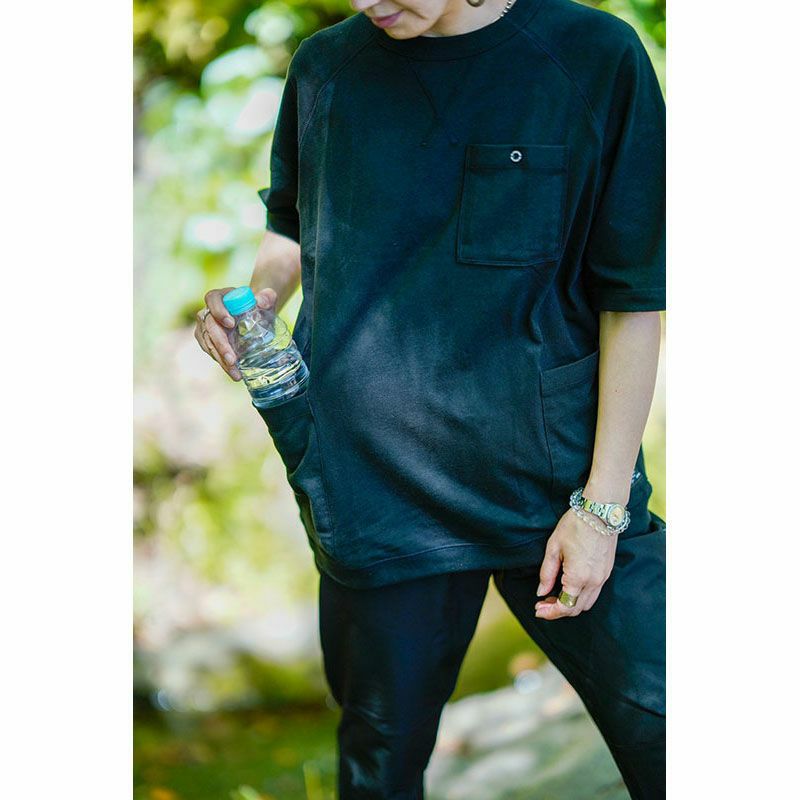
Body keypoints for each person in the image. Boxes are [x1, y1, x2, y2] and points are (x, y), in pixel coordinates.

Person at [195, 0, 666, 796]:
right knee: (379, 771)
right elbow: (292, 222)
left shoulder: (594, 56)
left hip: (557, 487)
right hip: (373, 494)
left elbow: (635, 300)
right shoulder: (325, 68)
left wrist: (601, 510)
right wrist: (255, 303)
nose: (369, 3)